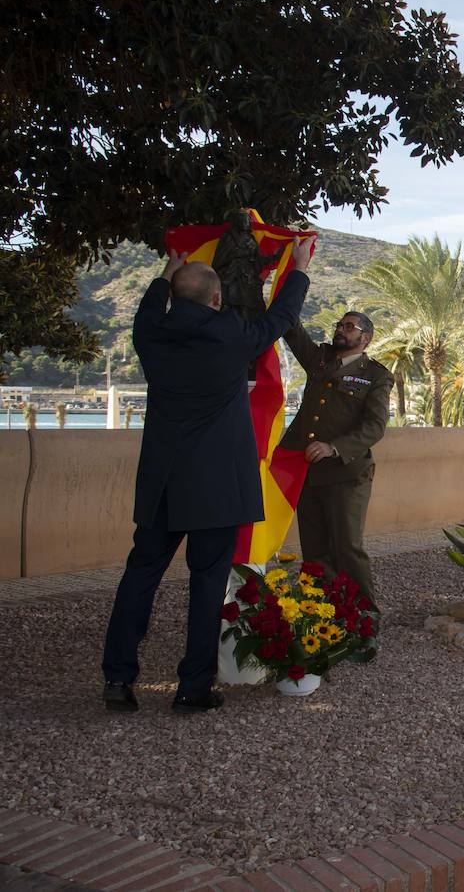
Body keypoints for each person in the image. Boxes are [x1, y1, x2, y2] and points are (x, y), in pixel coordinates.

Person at [102, 239, 312, 714]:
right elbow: (279, 318)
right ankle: (192, 686)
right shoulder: (230, 333)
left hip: (162, 485)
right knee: (206, 585)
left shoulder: (151, 333)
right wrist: (297, 269)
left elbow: (149, 308)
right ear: (216, 299)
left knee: (140, 576)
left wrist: (165, 275)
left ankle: (117, 676)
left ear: (173, 297)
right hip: (217, 487)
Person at [280, 310, 393, 648]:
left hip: (347, 474)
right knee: (314, 550)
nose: (342, 330)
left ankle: (365, 620)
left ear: (366, 338)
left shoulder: (375, 375)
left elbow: (374, 427)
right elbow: (292, 330)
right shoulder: (320, 359)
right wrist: (291, 280)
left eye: (350, 327)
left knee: (347, 547)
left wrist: (333, 447)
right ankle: (322, 614)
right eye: (340, 325)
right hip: (308, 473)